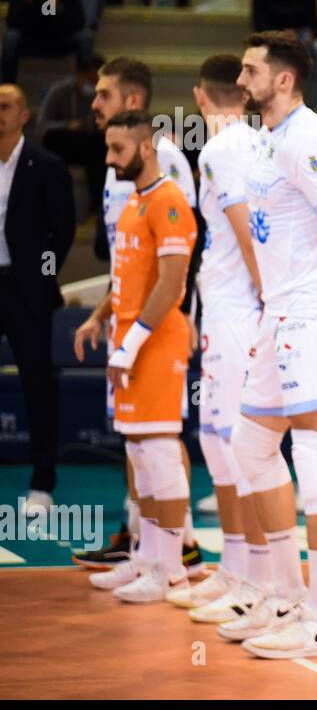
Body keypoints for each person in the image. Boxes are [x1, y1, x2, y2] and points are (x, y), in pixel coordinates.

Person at [217, 31, 317, 659]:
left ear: (283, 79)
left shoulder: (309, 138)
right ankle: (286, 594)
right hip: (280, 318)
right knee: (249, 446)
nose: (241, 81)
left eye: (250, 71)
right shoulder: (270, 142)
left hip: (315, 318)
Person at [73, 56, 199, 578]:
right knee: (139, 442)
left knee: (159, 441)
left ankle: (176, 551)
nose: (94, 104)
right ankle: (147, 547)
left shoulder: (166, 177)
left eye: (104, 95)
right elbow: (128, 260)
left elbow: (173, 269)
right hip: (130, 323)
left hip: (157, 328)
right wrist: (104, 312)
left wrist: (143, 332)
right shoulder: (125, 180)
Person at [167, 55, 266, 615]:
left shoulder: (224, 148)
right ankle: (236, 568)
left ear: (201, 96)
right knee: (217, 440)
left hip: (236, 306)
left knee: (232, 443)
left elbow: (245, 226)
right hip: (229, 302)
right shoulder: (252, 142)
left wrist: (263, 293)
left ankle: (252, 576)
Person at [0, 84, 74, 526]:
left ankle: (42, 482)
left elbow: (62, 231)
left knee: (37, 383)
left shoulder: (45, 165)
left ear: (24, 114)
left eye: (6, 106)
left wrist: (40, 278)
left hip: (25, 291)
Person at [1, 0, 93, 84]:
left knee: (85, 37)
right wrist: (28, 0)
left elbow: (78, 21)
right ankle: (7, 86)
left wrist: (57, 9)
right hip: (31, 38)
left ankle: (84, 86)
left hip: (60, 37)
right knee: (10, 37)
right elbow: (12, 21)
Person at [35, 53, 102, 200]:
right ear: (79, 75)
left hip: (89, 144)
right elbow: (41, 126)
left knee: (100, 144)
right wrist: (67, 125)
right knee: (53, 138)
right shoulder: (59, 91)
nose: (93, 85)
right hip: (63, 142)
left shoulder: (102, 94)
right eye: (91, 80)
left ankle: (96, 206)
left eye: (97, 81)